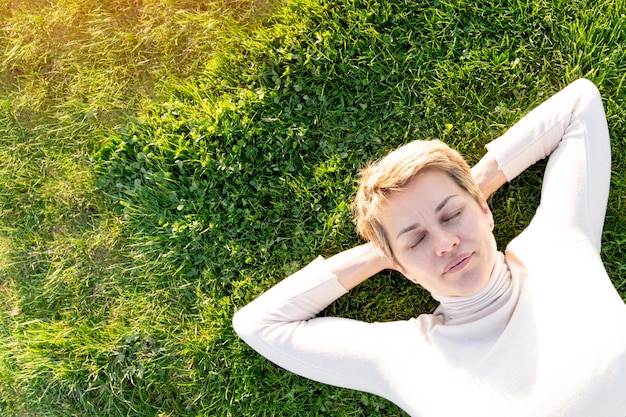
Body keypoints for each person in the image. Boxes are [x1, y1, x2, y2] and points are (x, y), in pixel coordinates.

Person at [232, 78, 626, 417]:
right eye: (416, 240)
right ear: (401, 267)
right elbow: (259, 324)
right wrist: (379, 250)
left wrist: (474, 187)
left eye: (452, 215)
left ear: (484, 210)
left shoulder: (556, 244)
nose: (445, 243)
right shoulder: (405, 355)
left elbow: (579, 104)